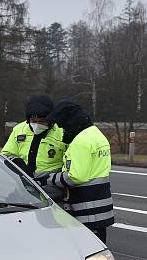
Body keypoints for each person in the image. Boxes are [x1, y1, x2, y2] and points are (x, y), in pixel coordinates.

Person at [35, 101, 113, 244]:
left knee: (87, 254)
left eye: (62, 125)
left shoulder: (80, 142)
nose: (62, 129)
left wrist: (49, 179)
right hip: (101, 206)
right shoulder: (96, 134)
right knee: (99, 252)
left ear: (70, 121)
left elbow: (75, 176)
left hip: (86, 209)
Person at [0, 95, 65, 177]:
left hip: (52, 184)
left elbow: (69, 161)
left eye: (41, 121)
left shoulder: (62, 132)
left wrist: (54, 179)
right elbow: (6, 154)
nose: (37, 125)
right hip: (24, 181)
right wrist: (18, 164)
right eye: (33, 121)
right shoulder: (19, 130)